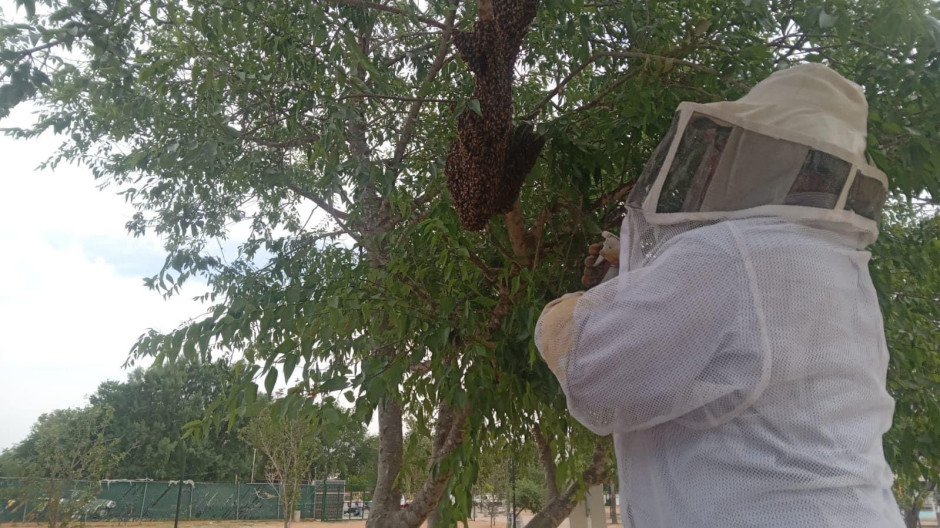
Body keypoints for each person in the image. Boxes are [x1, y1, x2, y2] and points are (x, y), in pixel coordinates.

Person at [534, 63, 903, 527]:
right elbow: (731, 355)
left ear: (778, 158)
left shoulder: (731, 254)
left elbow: (593, 372)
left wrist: (565, 312)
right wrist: (624, 284)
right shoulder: (839, 267)